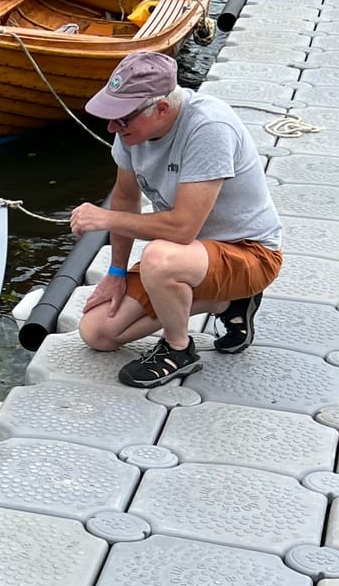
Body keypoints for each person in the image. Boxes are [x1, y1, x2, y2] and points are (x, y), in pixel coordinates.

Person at [70, 51, 284, 388]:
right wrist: (116, 273)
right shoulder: (131, 130)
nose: (113, 126)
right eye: (111, 117)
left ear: (162, 109)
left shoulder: (209, 128)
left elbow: (183, 228)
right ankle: (227, 301)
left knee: (159, 256)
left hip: (249, 253)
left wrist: (105, 218)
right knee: (97, 332)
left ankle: (178, 349)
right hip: (189, 256)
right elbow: (126, 199)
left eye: (122, 118)